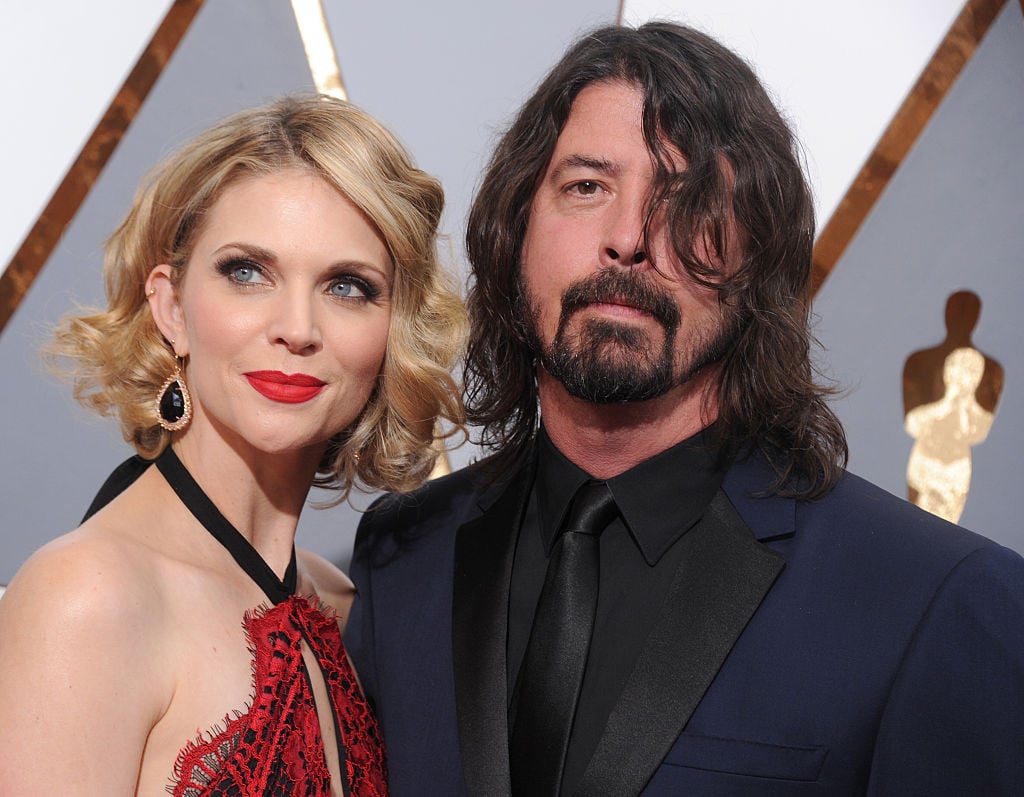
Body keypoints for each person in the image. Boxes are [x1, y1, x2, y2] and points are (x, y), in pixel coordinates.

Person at [345, 22, 1024, 796]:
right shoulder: (404, 558)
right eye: (586, 186)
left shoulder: (937, 601)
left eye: (686, 197)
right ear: (515, 232)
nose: (628, 238)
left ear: (757, 257)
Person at [0, 95, 465, 795]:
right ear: (171, 306)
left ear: (390, 332)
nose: (296, 326)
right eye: (247, 271)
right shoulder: (89, 598)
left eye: (347, 286)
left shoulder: (346, 608)